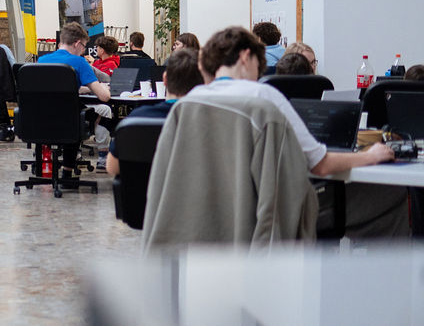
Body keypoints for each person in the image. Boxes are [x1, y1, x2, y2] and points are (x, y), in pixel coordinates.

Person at [189, 26, 406, 237]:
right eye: (258, 66)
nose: (257, 75)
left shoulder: (190, 102)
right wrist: (370, 155)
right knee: (394, 193)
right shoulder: (262, 97)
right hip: (271, 217)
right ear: (246, 57)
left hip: (211, 219)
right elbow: (320, 164)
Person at [106, 47, 204, 176]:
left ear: (164, 79)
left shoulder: (136, 120)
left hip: (143, 188)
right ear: (203, 83)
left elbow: (112, 168)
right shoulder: (207, 122)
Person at [37, 22, 113, 170]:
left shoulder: (42, 61)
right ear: (77, 43)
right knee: (104, 110)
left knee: (73, 113)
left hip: (42, 119)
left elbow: (56, 87)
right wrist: (104, 88)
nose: (83, 51)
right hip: (69, 120)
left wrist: (81, 89)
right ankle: (100, 158)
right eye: (84, 46)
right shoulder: (79, 62)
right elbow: (104, 97)